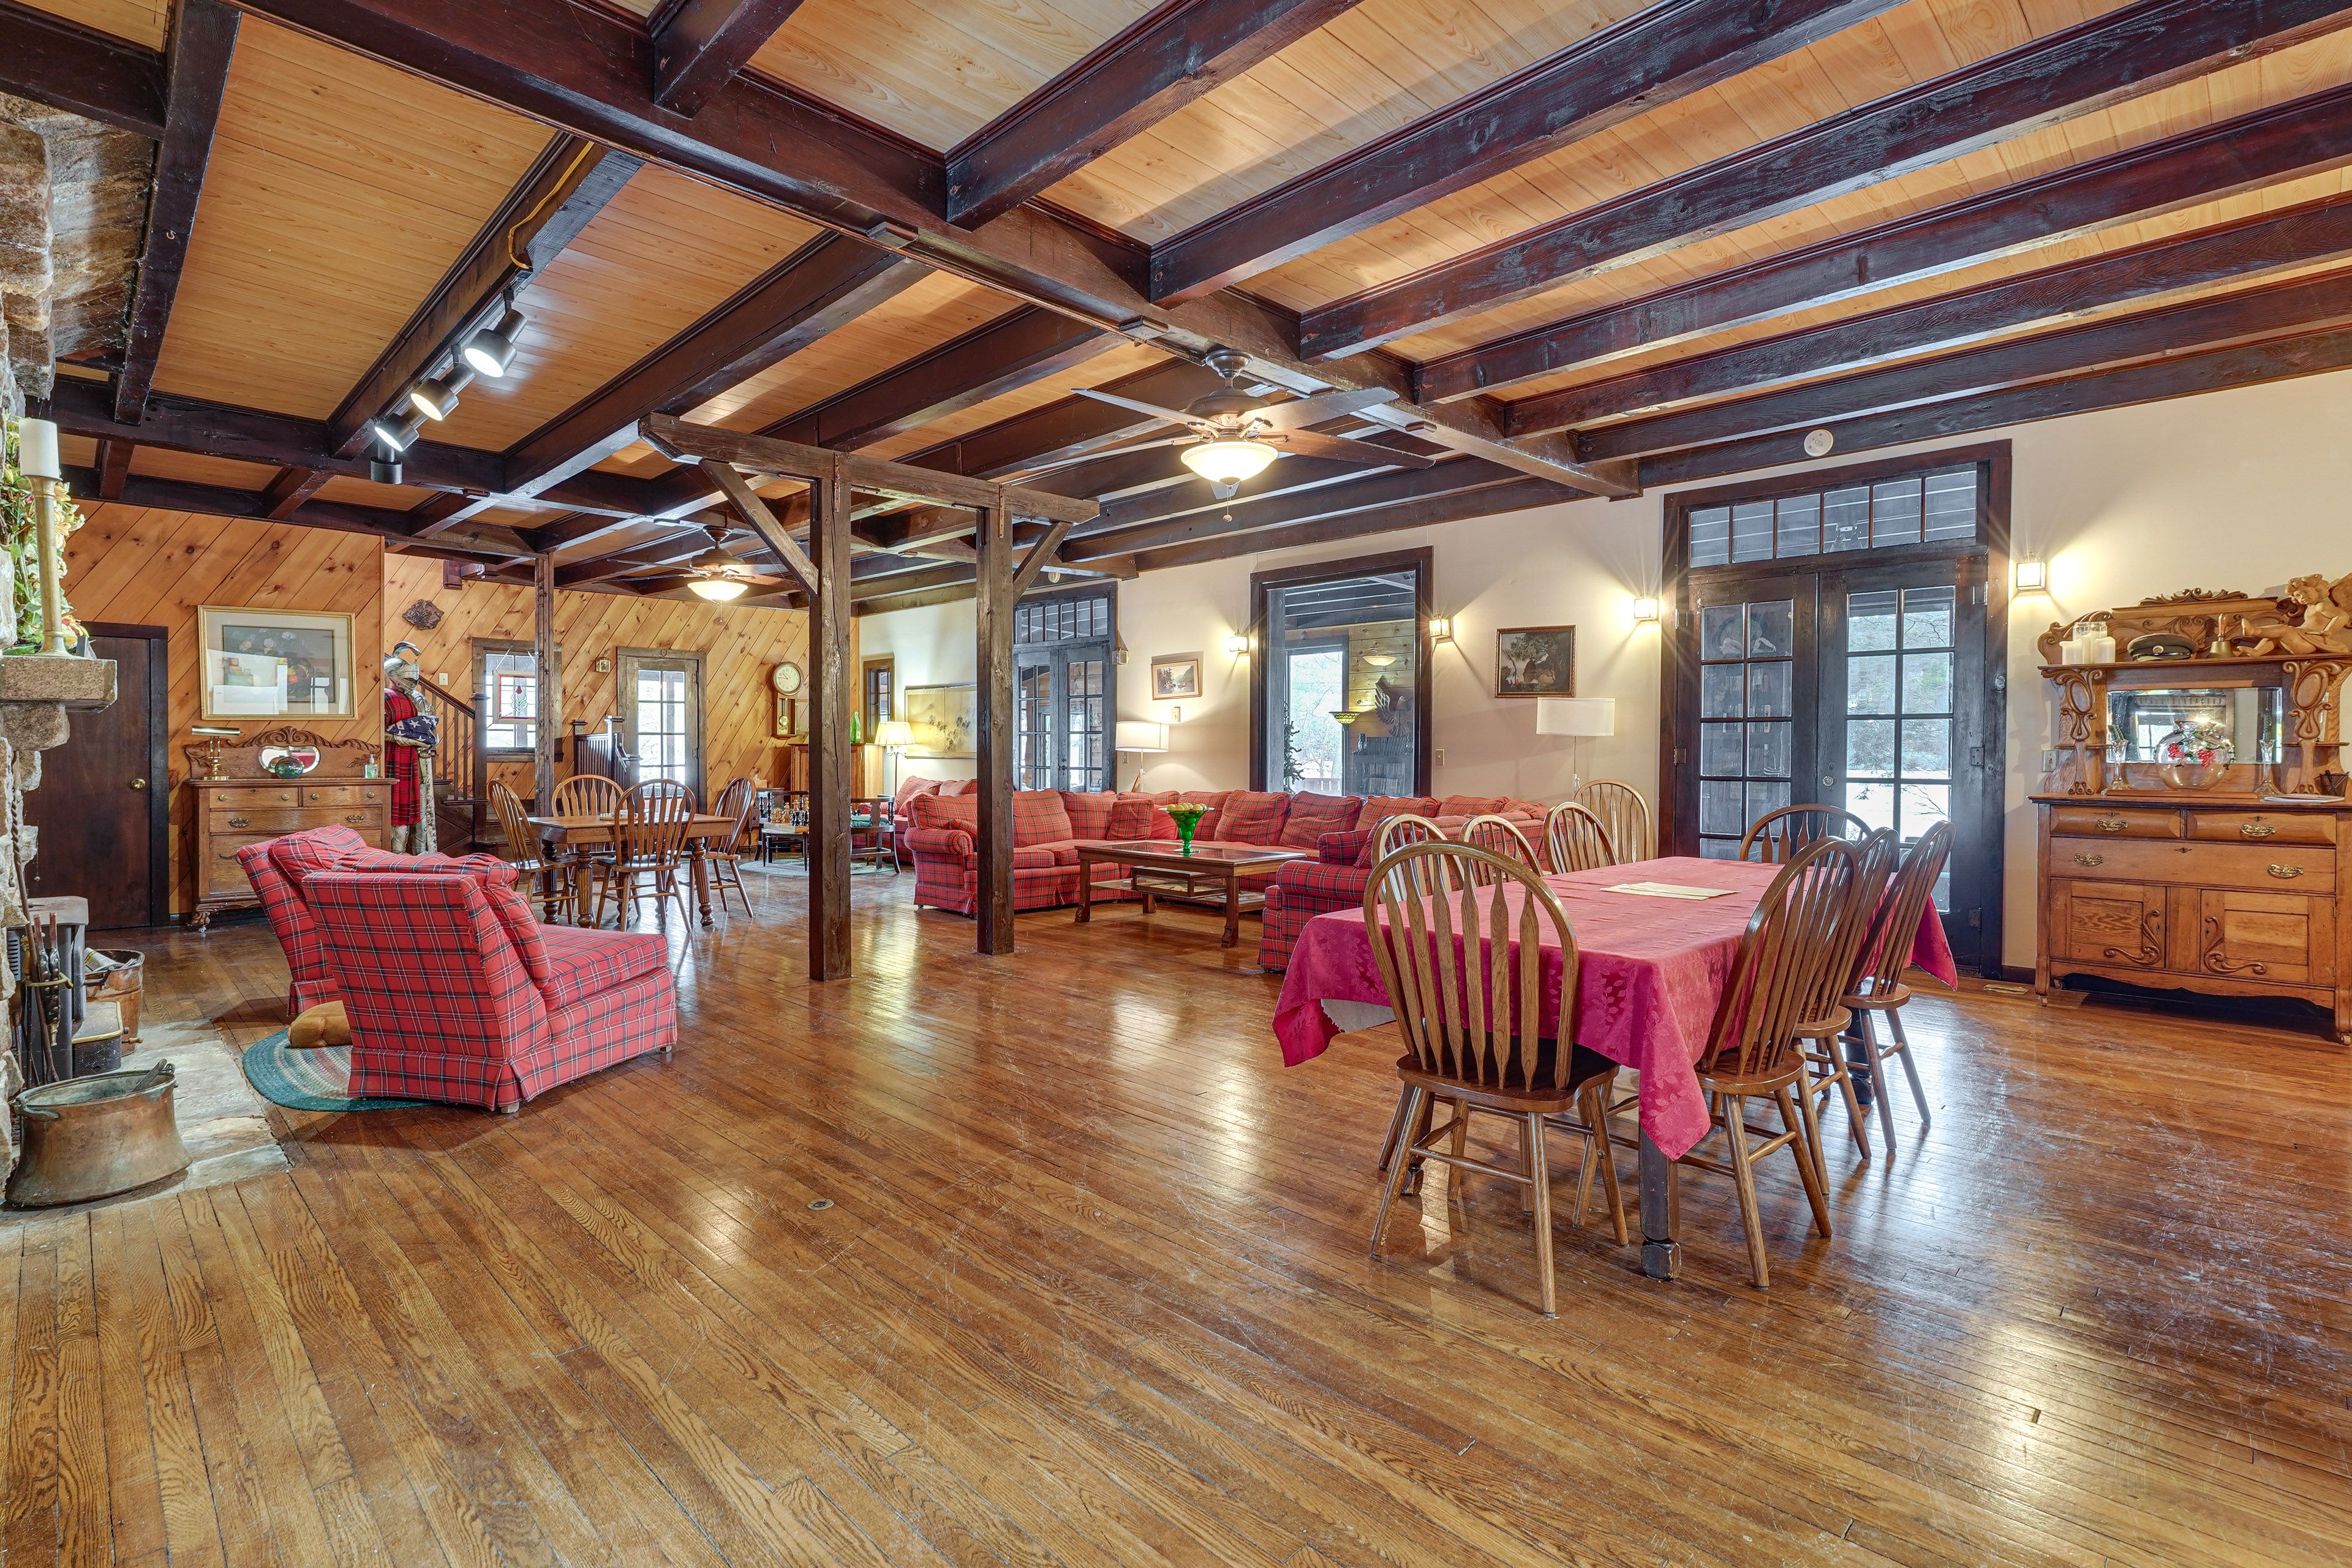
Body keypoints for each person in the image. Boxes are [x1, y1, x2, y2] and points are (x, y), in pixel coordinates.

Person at [383, 641, 439, 853]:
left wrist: (419, 741)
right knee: (403, 810)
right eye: (405, 677)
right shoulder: (392, 698)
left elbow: (431, 731)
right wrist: (414, 740)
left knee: (407, 812)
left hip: (413, 757)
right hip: (405, 757)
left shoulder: (414, 699)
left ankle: (404, 857)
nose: (409, 681)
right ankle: (400, 856)